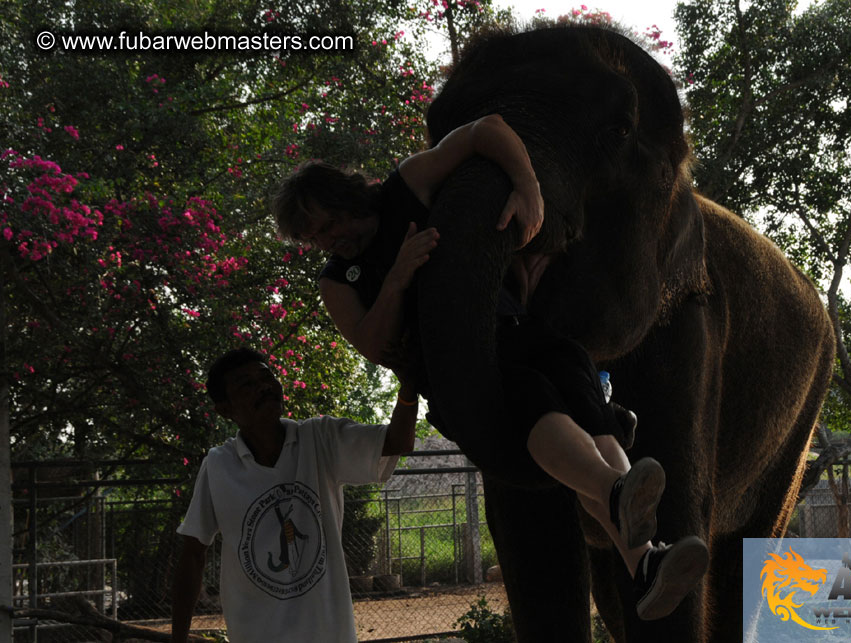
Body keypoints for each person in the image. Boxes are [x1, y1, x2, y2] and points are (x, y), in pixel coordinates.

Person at [271, 114, 708, 620]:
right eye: (312, 239)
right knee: (530, 396)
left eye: (327, 224)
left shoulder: (406, 185)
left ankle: (645, 562)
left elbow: (487, 130)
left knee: (587, 401)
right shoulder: (338, 280)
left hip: (517, 326)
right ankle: (618, 497)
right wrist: (395, 278)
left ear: (345, 197)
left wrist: (528, 188)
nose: (327, 240)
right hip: (461, 371)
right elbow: (372, 343)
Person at [171, 347, 417, 642]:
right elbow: (193, 555)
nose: (263, 386)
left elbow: (398, 440)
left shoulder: (320, 439)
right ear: (225, 409)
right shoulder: (218, 466)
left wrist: (408, 388)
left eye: (266, 376)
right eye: (246, 384)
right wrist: (179, 638)